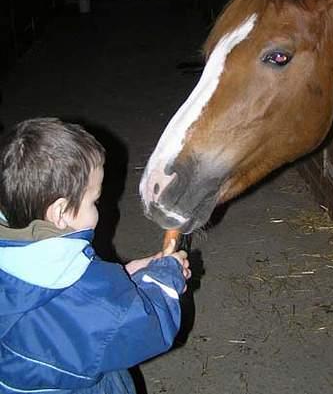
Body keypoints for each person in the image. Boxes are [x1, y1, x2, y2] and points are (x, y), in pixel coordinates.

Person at [0, 117, 191, 394]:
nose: (101, 207)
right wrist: (166, 279)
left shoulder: (25, 253)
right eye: (94, 201)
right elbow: (141, 322)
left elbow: (85, 288)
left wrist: (128, 274)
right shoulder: (79, 296)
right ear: (61, 212)